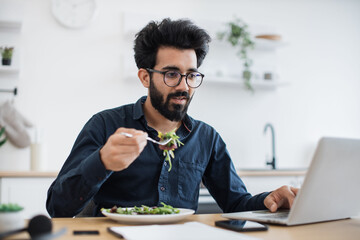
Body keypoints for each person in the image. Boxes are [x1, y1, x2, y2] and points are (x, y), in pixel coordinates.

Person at [46, 18, 298, 217]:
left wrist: (268, 200)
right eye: (171, 74)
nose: (184, 86)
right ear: (145, 77)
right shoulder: (105, 125)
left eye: (191, 75)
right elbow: (58, 207)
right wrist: (101, 161)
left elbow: (236, 204)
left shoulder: (207, 138)